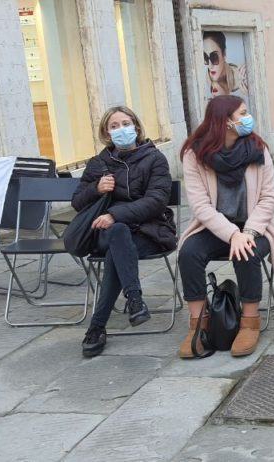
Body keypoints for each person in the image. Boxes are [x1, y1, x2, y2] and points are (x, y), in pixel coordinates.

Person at [177, 95, 274, 358]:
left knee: (246, 251)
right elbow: (201, 206)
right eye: (242, 113)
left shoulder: (258, 149)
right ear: (225, 121)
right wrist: (232, 234)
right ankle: (198, 325)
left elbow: (268, 199)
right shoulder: (195, 155)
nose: (248, 118)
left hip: (254, 225)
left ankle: (250, 322)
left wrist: (247, 233)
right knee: (189, 252)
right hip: (215, 226)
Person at [73, 106, 177, 357]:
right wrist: (96, 189)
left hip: (149, 232)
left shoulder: (155, 159)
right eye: (114, 126)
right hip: (105, 234)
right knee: (119, 237)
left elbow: (156, 201)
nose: (122, 129)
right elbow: (77, 202)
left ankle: (97, 326)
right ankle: (135, 300)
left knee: (117, 251)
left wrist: (114, 214)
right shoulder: (99, 163)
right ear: (106, 134)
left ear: (137, 128)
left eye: (126, 123)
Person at [203, 31, 248, 97]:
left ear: (224, 54)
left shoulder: (245, 71)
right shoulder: (208, 81)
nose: (210, 66)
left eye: (214, 57)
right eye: (205, 57)